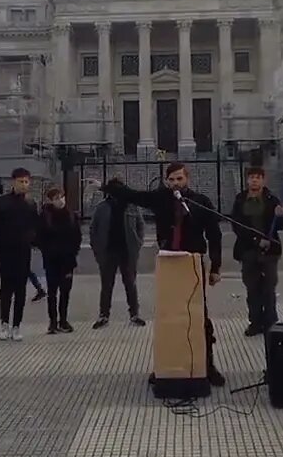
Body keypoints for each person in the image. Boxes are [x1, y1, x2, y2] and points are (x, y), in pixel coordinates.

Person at [90, 163, 227, 387]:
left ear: (187, 179)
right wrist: (106, 187)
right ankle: (166, 365)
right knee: (169, 317)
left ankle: (207, 364)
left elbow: (215, 236)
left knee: (198, 316)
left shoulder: (200, 202)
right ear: (166, 181)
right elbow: (133, 195)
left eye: (179, 179)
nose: (175, 184)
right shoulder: (160, 199)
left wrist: (216, 268)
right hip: (168, 262)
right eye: (171, 180)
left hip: (192, 263)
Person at [230, 167, 283, 336]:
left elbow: (281, 225)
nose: (255, 180)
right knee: (252, 288)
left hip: (270, 251)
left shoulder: (271, 199)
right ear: (247, 180)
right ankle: (255, 322)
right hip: (248, 250)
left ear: (264, 180)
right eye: (251, 177)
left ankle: (270, 322)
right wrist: (256, 240)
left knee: (269, 288)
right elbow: (237, 225)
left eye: (258, 177)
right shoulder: (240, 199)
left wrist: (282, 215)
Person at [0, 168, 40, 341]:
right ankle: (4, 324)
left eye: (26, 181)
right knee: (7, 288)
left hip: (23, 251)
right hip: (5, 251)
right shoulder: (1, 202)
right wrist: (1, 238)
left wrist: (31, 238)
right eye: (21, 181)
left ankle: (17, 325)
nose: (24, 184)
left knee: (21, 290)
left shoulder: (30, 204)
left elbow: (35, 225)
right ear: (13, 182)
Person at [89, 181, 146, 329]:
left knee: (130, 283)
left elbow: (140, 226)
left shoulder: (131, 206)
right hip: (108, 251)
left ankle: (135, 314)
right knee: (107, 285)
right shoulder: (102, 207)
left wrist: (138, 243)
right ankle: (104, 315)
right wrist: (97, 248)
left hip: (127, 251)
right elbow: (93, 229)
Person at [36, 187, 81, 335]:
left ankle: (63, 320)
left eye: (62, 197)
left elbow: (77, 237)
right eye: (56, 198)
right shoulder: (45, 216)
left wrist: (73, 252)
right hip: (51, 260)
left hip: (67, 260)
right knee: (52, 292)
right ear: (51, 200)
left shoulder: (71, 215)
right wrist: (47, 250)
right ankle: (53, 321)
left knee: (65, 292)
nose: (60, 200)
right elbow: (39, 237)